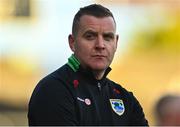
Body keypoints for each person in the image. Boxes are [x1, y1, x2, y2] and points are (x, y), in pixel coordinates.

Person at [28, 4, 148, 126]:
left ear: (116, 42)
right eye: (90, 36)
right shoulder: (52, 90)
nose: (100, 45)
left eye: (107, 37)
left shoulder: (125, 99)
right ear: (72, 42)